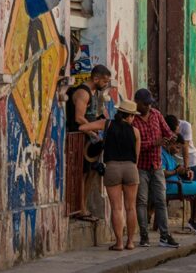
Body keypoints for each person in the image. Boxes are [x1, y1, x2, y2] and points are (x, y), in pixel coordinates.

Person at [78, 99, 141, 251]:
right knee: (131, 208)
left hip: (112, 168)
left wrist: (96, 135)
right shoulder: (135, 132)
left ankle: (119, 243)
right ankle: (130, 242)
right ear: (131, 116)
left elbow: (82, 127)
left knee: (117, 208)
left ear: (119, 112)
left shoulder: (107, 124)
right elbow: (136, 157)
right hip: (131, 168)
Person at [132, 88, 179, 248]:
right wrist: (154, 143)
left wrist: (171, 139)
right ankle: (144, 236)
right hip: (141, 166)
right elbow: (134, 144)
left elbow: (167, 131)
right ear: (137, 103)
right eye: (146, 104)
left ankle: (165, 235)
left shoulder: (156, 115)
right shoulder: (133, 119)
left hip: (156, 165)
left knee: (160, 200)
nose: (148, 107)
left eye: (150, 104)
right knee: (142, 201)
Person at [67, 64, 113, 220]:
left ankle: (83, 206)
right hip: (82, 139)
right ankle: (80, 208)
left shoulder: (95, 93)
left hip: (91, 140)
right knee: (82, 173)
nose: (106, 84)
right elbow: (79, 117)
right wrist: (92, 132)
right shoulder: (82, 92)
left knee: (91, 173)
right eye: (104, 81)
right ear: (96, 78)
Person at [162, 135, 196, 235]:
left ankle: (194, 220)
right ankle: (194, 222)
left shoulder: (170, 155)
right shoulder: (162, 154)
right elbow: (162, 173)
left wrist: (186, 171)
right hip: (171, 186)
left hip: (178, 182)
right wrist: (176, 171)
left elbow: (178, 168)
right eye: (177, 147)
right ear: (171, 143)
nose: (177, 151)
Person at [164, 115, 196, 182]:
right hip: (176, 163)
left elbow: (185, 149)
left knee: (195, 185)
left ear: (178, 124)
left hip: (191, 161)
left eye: (176, 132)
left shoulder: (186, 126)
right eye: (173, 133)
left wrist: (187, 169)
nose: (175, 135)